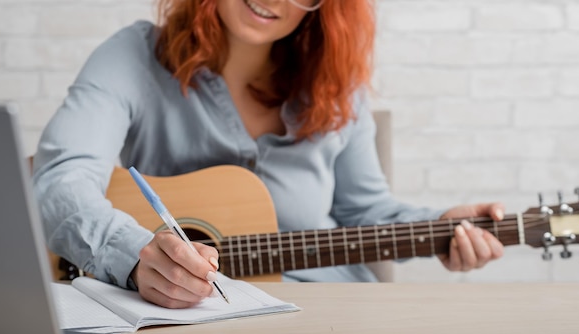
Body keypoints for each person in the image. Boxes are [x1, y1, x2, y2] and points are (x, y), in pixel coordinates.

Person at [32, 0, 505, 309]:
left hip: (331, 316)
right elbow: (61, 177)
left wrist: (443, 224)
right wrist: (130, 255)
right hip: (186, 320)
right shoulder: (132, 56)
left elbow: (367, 212)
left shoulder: (341, 90)